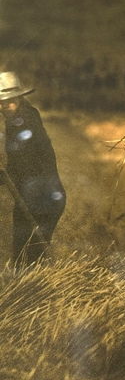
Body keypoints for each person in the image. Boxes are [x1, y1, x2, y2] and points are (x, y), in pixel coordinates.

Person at [0, 72, 65, 264]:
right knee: (29, 252)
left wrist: (4, 175)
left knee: (26, 254)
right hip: (36, 194)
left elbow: (23, 160)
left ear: (19, 98)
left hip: (40, 196)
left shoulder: (26, 121)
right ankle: (36, 284)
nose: (5, 106)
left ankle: (34, 288)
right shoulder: (22, 115)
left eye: (10, 101)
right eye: (2, 102)